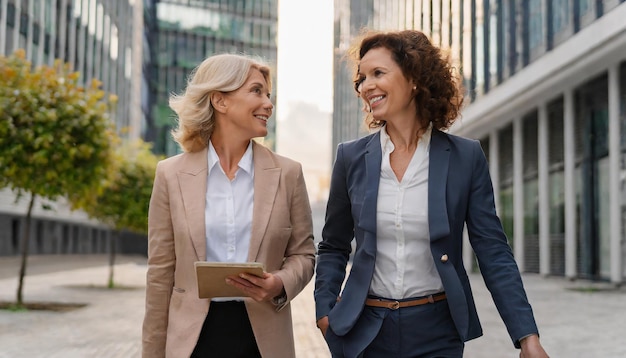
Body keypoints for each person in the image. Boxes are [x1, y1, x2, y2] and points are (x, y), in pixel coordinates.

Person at [314, 29, 549, 358]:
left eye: (378, 73)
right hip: (364, 330)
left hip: (437, 331)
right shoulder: (350, 157)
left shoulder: (465, 158)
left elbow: (493, 252)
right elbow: (333, 246)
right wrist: (325, 312)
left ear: (414, 78)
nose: (366, 86)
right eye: (362, 78)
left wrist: (527, 336)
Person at [142, 53, 316, 358]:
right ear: (220, 101)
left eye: (268, 94)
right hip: (191, 341)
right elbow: (160, 274)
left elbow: (304, 254)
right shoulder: (170, 174)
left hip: (263, 341)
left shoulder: (288, 174)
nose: (268, 104)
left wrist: (279, 284)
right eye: (256, 91)